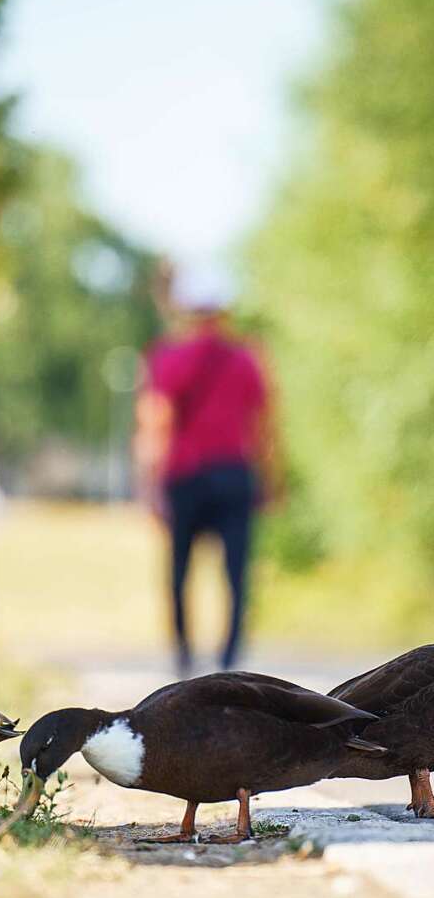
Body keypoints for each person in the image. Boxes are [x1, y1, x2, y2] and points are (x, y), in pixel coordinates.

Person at [134, 261, 283, 674]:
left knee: (180, 570)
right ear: (224, 310)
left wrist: (149, 486)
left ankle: (184, 653)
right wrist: (271, 480)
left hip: (186, 477)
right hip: (235, 473)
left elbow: (156, 424)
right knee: (236, 572)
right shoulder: (247, 358)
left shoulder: (168, 357)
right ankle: (229, 658)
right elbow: (265, 427)